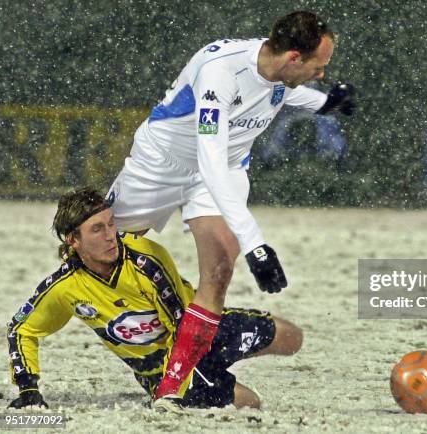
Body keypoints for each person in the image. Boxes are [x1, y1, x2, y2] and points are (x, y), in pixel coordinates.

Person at [106, 10, 354, 406]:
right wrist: (257, 244)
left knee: (219, 270)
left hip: (225, 168)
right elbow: (210, 159)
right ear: (293, 57)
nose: (322, 73)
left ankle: (174, 385)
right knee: (96, 248)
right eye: (318, 67)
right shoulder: (220, 71)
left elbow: (280, 90)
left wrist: (325, 102)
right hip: (164, 162)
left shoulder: (278, 70)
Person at [6, 187, 303, 410]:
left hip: (200, 331)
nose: (111, 235)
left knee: (293, 338)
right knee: (251, 404)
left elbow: (182, 323)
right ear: (73, 240)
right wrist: (28, 390)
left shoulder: (146, 259)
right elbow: (22, 329)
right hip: (160, 372)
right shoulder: (65, 287)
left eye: (111, 224)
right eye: (97, 229)